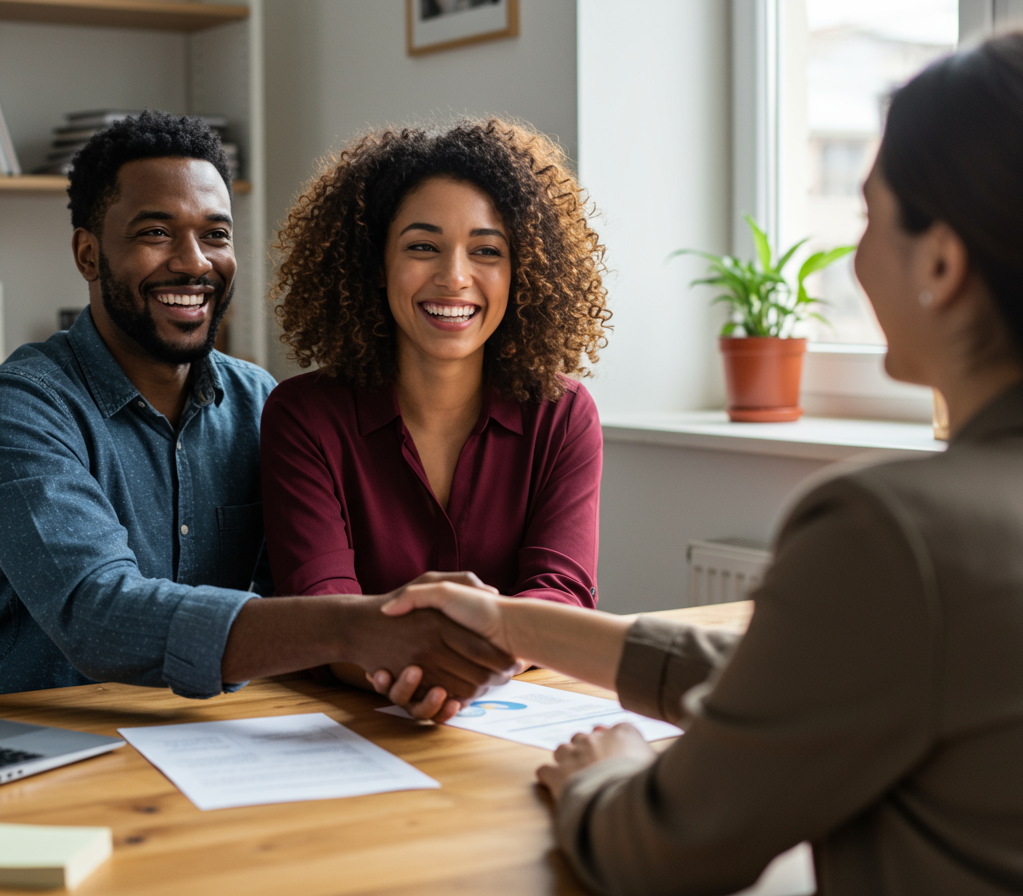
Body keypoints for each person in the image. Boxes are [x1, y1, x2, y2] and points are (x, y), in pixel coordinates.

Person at [376, 34, 1023, 895]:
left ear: (941, 260)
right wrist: (509, 623)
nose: (857, 258)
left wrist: (604, 770)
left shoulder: (893, 530)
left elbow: (661, 850)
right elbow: (802, 686)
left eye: (868, 217)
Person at [0, 111, 516, 708]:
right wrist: (355, 625)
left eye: (215, 235)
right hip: (30, 744)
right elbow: (97, 613)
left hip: (209, 738)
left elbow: (294, 592)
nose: (194, 262)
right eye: (155, 233)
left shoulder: (259, 402)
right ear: (88, 255)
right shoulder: (17, 409)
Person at [261, 119, 610, 701]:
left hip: (514, 717)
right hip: (353, 723)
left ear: (522, 271)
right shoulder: (303, 417)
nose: (454, 277)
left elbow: (562, 591)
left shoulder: (563, 414)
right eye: (422, 247)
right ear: (375, 264)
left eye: (486, 251)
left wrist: (454, 666)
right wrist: (422, 672)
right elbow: (320, 611)